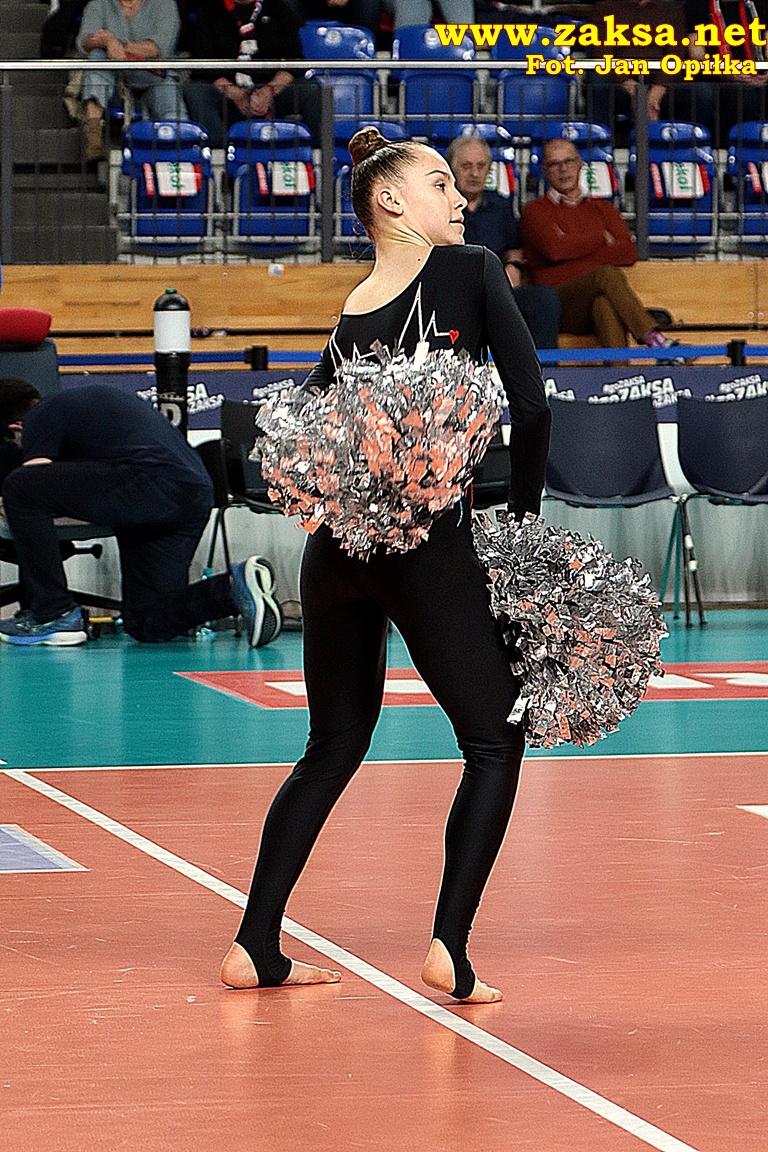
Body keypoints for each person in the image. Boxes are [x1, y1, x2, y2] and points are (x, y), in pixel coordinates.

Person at [220, 126, 550, 1003]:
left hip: (333, 557)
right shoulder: (472, 268)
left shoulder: (355, 306)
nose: (461, 197)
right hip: (423, 548)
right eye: (441, 183)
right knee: (493, 740)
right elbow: (531, 404)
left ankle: (255, 943)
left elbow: (303, 435)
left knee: (331, 744)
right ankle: (450, 947)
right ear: (392, 200)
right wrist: (521, 525)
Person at [0, 380, 281, 648]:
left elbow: (34, 483)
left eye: (14, 442)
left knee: (20, 487)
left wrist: (9, 504)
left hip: (151, 484)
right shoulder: (84, 409)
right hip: (190, 495)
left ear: (15, 426)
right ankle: (234, 588)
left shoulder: (40, 416)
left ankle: (54, 614)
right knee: (145, 622)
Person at [520, 138, 679, 352]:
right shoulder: (534, 211)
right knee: (605, 274)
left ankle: (622, 370)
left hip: (589, 305)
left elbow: (627, 253)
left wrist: (571, 249)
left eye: (568, 161)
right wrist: (600, 239)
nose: (563, 169)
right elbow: (555, 250)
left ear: (580, 164)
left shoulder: (603, 209)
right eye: (554, 164)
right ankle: (654, 339)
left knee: (604, 303)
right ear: (544, 171)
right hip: (555, 306)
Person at [447, 133, 561, 350]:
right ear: (452, 170)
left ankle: (543, 369)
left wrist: (514, 266)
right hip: (457, 291)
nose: (474, 173)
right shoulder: (441, 206)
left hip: (497, 290)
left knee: (544, 298)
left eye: (481, 166)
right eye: (466, 166)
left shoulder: (500, 206)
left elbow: (514, 249)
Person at [183, 0, 322, 150]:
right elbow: (203, 63)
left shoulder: (279, 7)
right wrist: (233, 93)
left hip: (272, 87)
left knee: (311, 89)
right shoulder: (209, 10)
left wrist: (270, 90)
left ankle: (319, 153)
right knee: (196, 91)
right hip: (227, 90)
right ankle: (219, 153)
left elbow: (294, 60)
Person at [77, 0, 187, 163]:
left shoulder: (165, 4)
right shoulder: (98, 4)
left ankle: (178, 152)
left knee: (169, 101)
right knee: (96, 56)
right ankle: (93, 133)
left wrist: (119, 45)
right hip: (116, 84)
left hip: (156, 78)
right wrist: (107, 41)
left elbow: (158, 49)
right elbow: (84, 43)